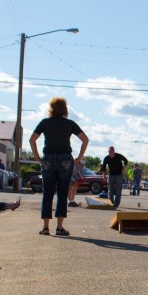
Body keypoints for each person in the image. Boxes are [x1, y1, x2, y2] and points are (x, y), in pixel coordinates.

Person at [29, 96, 89, 236]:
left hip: (48, 160)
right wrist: (79, 158)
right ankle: (60, 227)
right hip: (65, 160)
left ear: (51, 108)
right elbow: (85, 139)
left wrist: (38, 158)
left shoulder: (45, 122)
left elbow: (32, 139)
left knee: (47, 193)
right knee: (62, 193)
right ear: (65, 109)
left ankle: (45, 228)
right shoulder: (69, 124)